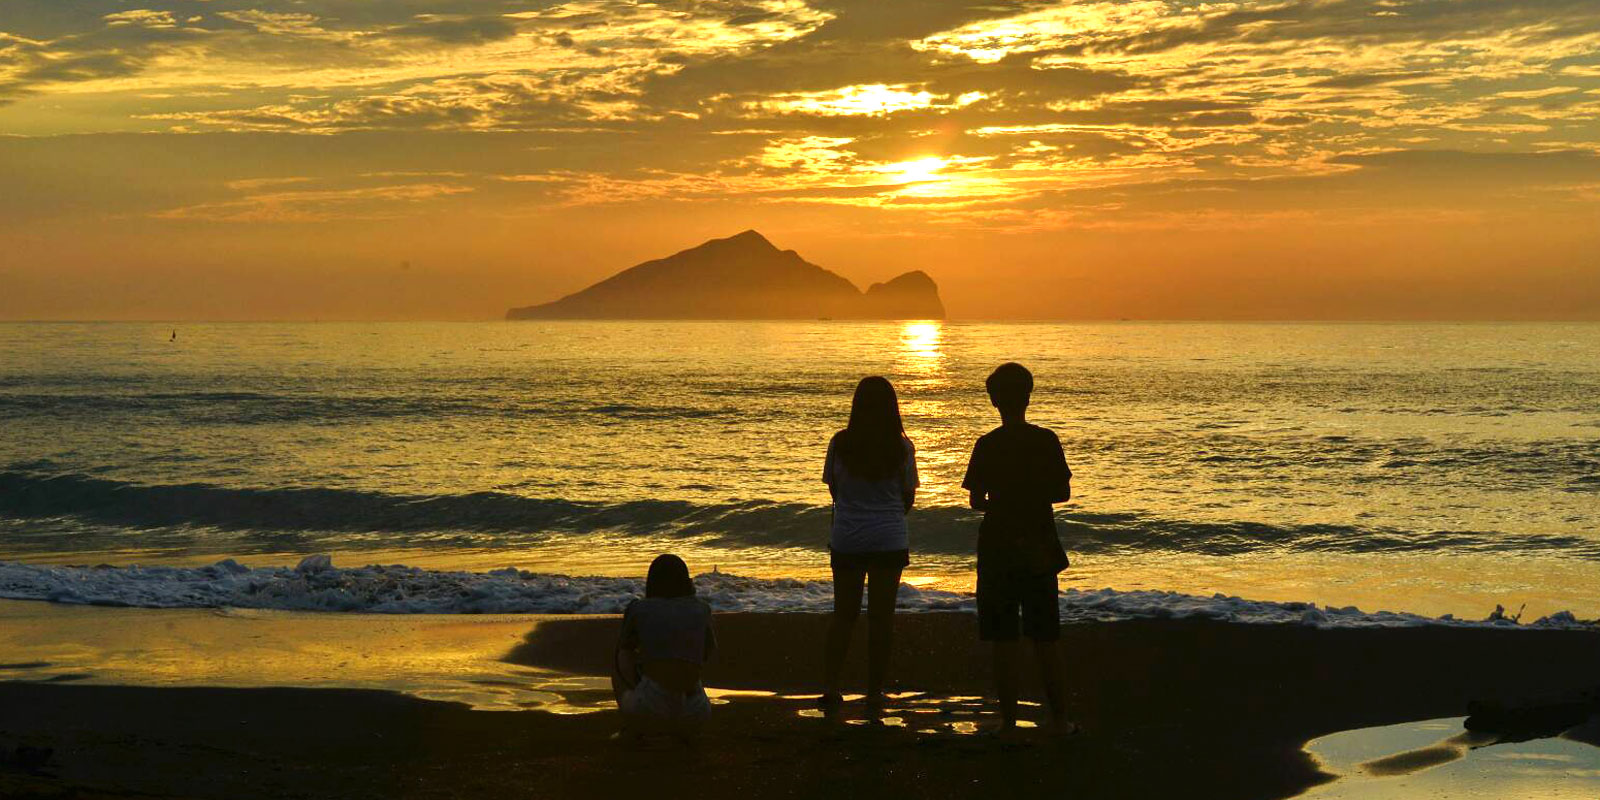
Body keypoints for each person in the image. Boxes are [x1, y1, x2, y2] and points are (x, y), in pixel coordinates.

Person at [961, 362, 1077, 734]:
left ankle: (1008, 721)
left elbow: (976, 500)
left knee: (1003, 637)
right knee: (1046, 635)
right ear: (1028, 396)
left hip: (997, 544)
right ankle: (1060, 720)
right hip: (1039, 542)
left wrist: (1003, 502)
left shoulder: (987, 444)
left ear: (995, 401)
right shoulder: (1046, 440)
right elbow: (1062, 492)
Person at [819, 376, 918, 716]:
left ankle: (831, 687)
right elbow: (908, 497)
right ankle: (875, 691)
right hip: (889, 537)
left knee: (843, 616)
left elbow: (834, 490)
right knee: (881, 619)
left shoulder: (840, 444)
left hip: (848, 536)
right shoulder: (902, 447)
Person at [613, 554, 717, 738]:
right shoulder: (702, 608)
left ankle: (633, 726)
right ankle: (685, 728)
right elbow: (707, 653)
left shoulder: (638, 608)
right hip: (697, 711)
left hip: (651, 709)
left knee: (619, 656)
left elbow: (626, 650)